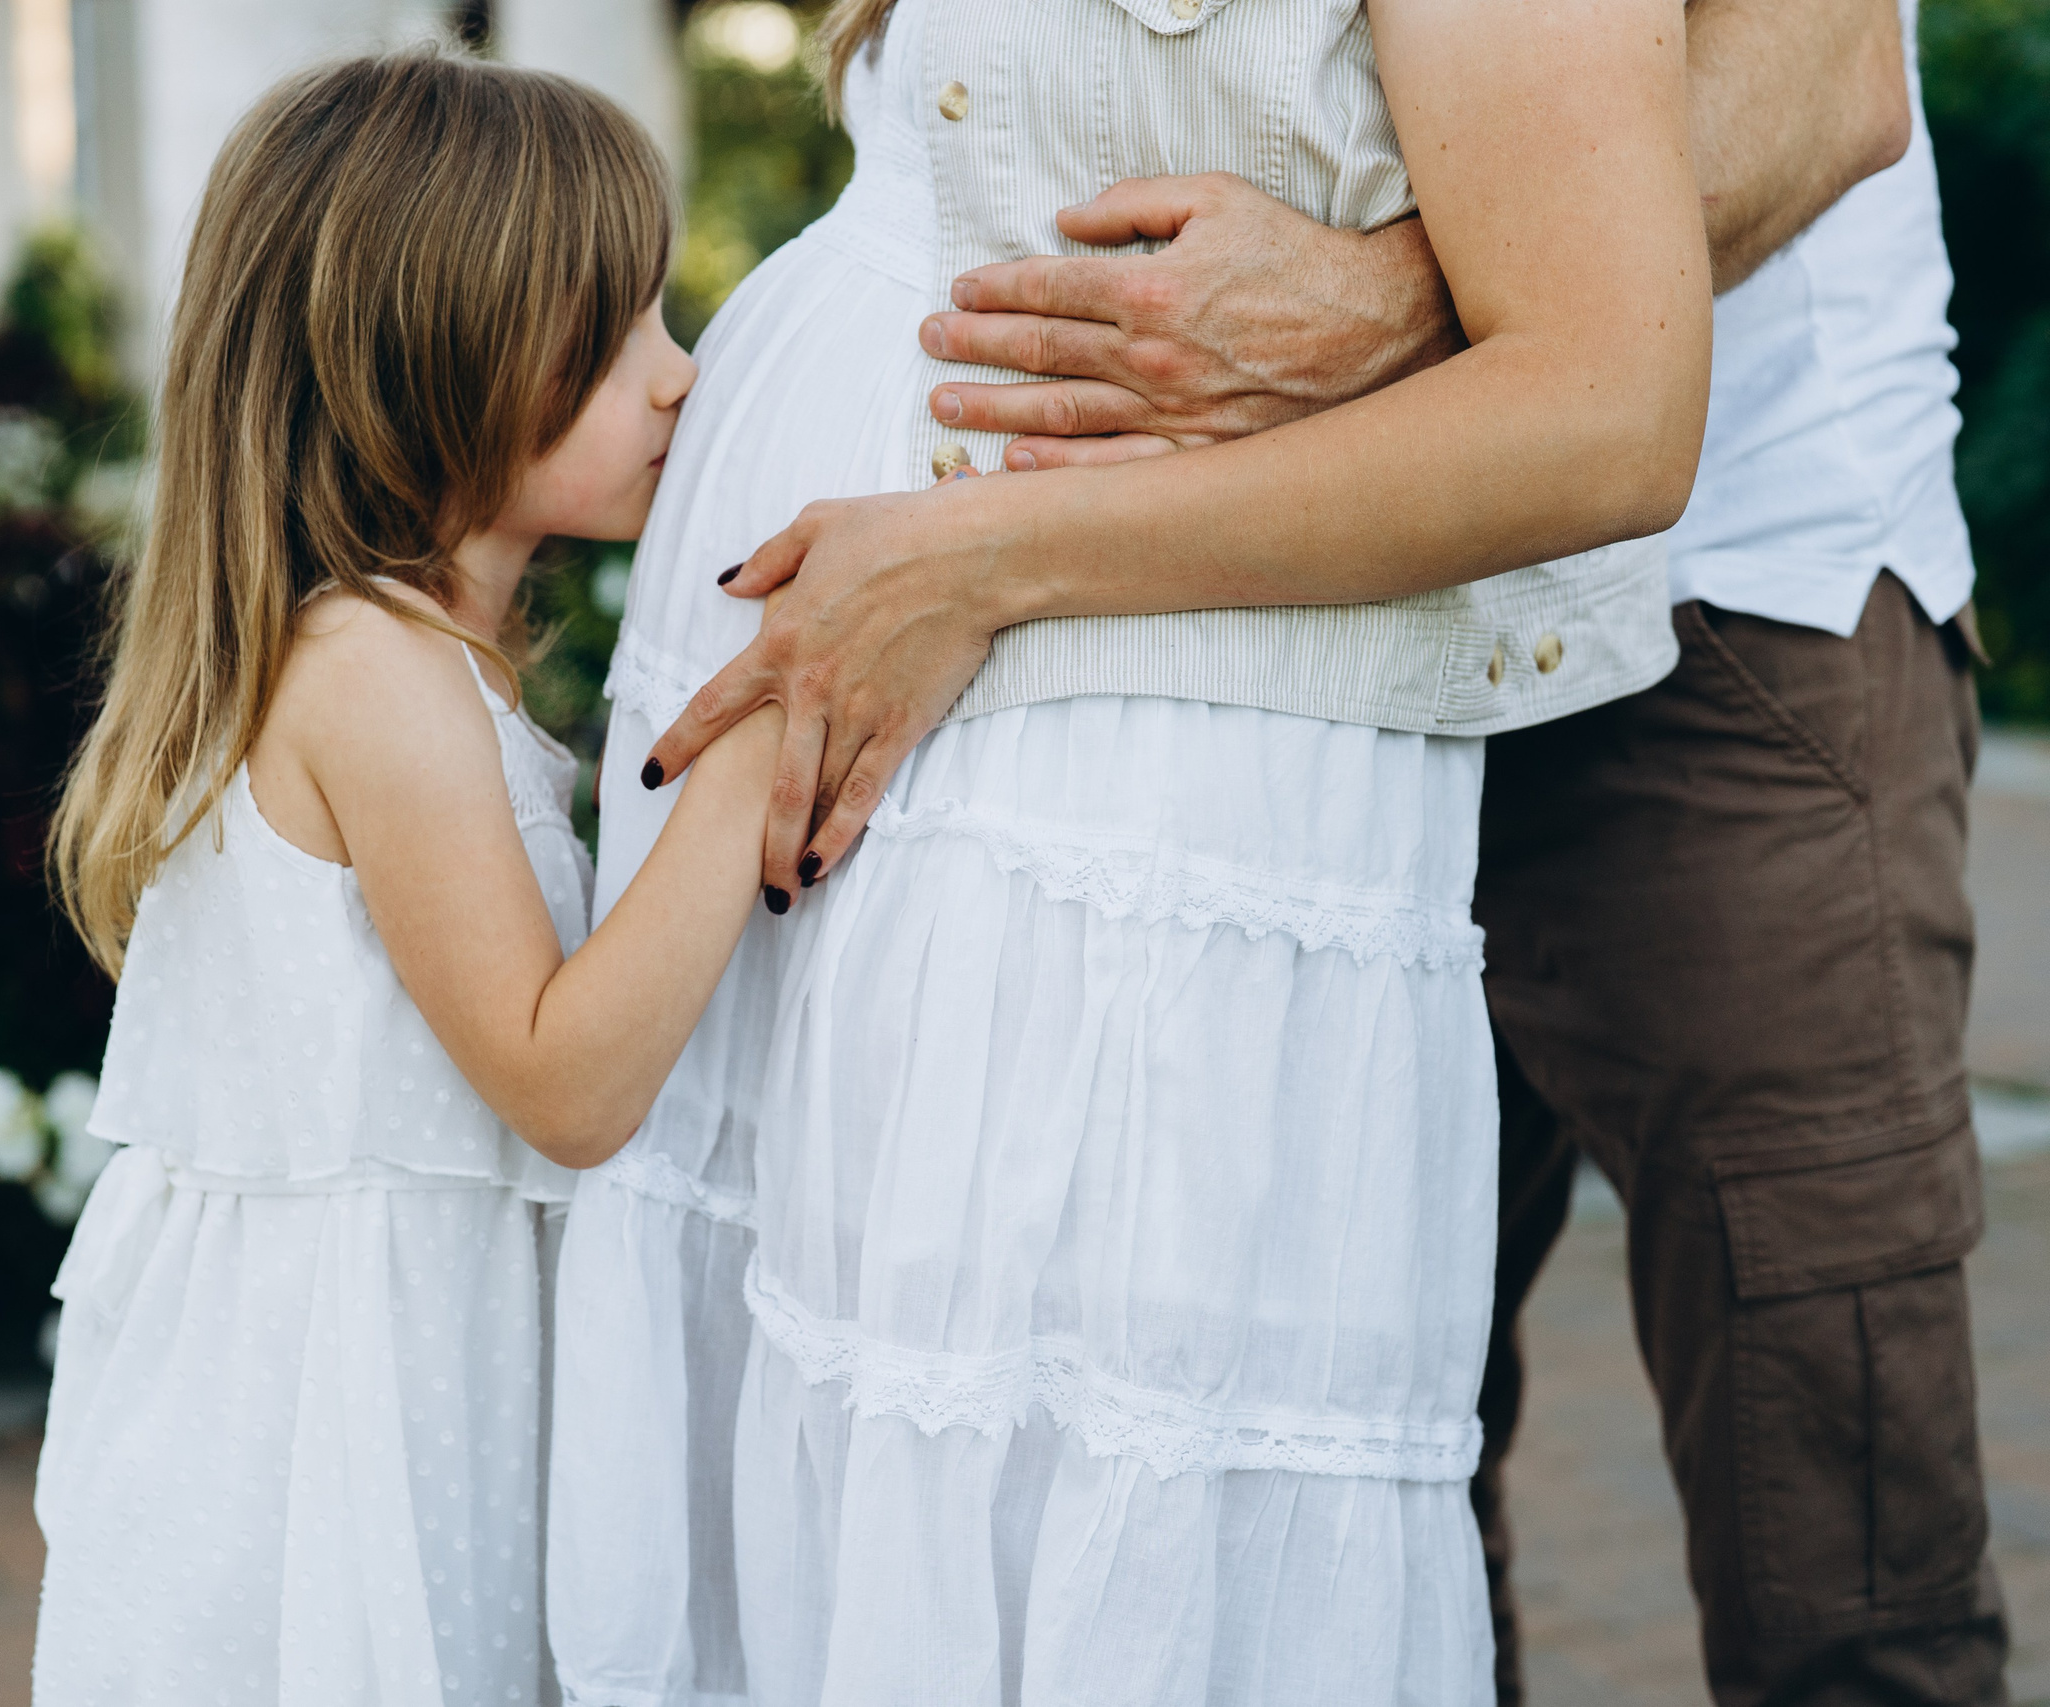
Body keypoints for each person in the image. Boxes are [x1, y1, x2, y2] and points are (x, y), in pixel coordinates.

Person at [676, 0, 2012, 1695]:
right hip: (1312, 647)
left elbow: (1832, 80)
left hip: (1726, 631)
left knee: (1838, 1517)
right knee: (1371, 1476)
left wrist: (1400, 300)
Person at [30, 54, 786, 1706]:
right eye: (615, 334)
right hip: (331, 1416)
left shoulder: (402, 657)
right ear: (429, 357)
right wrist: (758, 755)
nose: (681, 375)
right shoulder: (376, 671)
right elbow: (564, 1084)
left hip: (382, 1359)